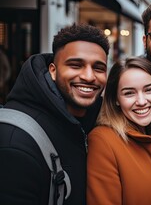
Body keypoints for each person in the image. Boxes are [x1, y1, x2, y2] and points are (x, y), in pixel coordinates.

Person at [0, 24, 109, 204]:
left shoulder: (94, 123)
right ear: (53, 70)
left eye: (99, 68)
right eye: (76, 65)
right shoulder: (15, 142)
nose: (89, 76)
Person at [87, 57, 151, 204]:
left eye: (149, 90)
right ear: (116, 99)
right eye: (129, 93)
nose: (142, 101)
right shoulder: (103, 140)